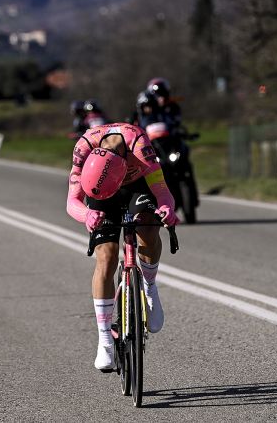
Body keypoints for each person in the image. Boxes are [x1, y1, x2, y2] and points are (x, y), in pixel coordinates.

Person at [66, 123, 179, 372]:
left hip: (137, 185)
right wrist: (87, 214)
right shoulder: (83, 148)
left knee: (148, 227)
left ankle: (149, 286)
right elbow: (72, 201)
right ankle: (105, 339)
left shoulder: (138, 145)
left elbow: (162, 191)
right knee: (106, 257)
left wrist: (166, 208)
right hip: (101, 192)